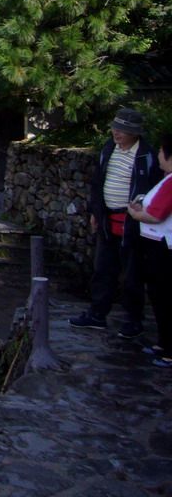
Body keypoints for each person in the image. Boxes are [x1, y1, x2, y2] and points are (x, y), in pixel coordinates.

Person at [71, 109, 162, 336]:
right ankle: (97, 314)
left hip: (132, 222)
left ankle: (133, 319)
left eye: (122, 130)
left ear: (134, 133)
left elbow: (155, 188)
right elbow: (97, 181)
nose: (116, 132)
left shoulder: (146, 154)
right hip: (107, 219)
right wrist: (94, 211)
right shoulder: (108, 149)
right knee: (103, 269)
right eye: (115, 127)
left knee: (132, 274)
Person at [127, 132, 172, 368]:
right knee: (158, 294)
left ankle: (169, 348)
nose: (158, 156)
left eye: (162, 152)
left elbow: (156, 214)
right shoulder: (167, 178)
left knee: (165, 296)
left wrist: (134, 213)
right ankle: (163, 343)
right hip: (156, 245)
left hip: (163, 247)